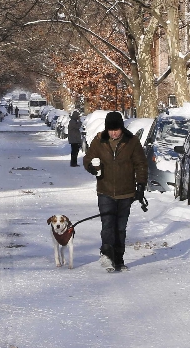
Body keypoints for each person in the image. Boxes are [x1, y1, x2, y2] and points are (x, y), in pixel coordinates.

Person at [83, 111, 147, 271]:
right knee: (108, 225)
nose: (114, 133)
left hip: (126, 192)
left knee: (120, 227)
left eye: (116, 129)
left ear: (121, 128)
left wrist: (141, 186)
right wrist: (91, 167)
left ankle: (118, 258)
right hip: (105, 190)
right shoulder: (99, 141)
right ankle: (107, 255)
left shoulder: (131, 141)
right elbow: (87, 159)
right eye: (111, 129)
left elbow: (141, 164)